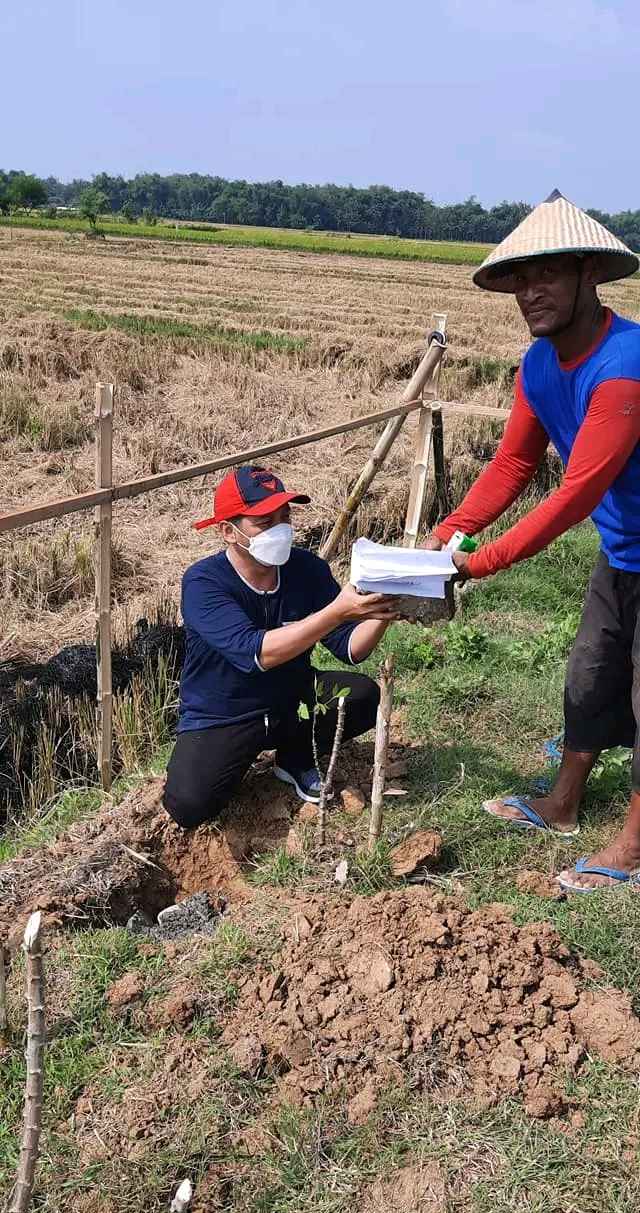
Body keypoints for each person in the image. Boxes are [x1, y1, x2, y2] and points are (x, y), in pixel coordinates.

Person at [424, 189, 640, 894]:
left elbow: (575, 491)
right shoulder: (539, 365)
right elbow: (516, 463)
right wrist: (451, 530)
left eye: (549, 274)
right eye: (521, 277)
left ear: (589, 276)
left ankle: (634, 847)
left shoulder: (626, 366)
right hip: (626, 549)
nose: (531, 292)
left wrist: (481, 561)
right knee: (588, 675)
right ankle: (563, 803)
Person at [163, 463, 399, 828]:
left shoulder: (306, 569)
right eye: (264, 522)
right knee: (189, 805)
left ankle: (295, 754)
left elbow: (351, 648)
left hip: (295, 697)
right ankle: (239, 753)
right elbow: (257, 652)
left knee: (365, 696)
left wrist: (384, 609)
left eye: (284, 517)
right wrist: (335, 613)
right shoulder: (203, 582)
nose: (281, 530)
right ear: (228, 531)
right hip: (225, 712)